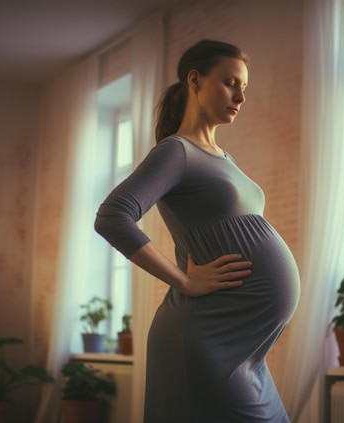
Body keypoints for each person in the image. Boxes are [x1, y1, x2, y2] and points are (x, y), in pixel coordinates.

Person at [94, 39, 300, 423]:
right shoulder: (176, 152)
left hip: (247, 352)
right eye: (230, 83)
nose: (240, 96)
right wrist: (184, 281)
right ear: (195, 80)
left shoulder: (226, 160)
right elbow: (112, 217)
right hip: (206, 340)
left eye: (244, 88)